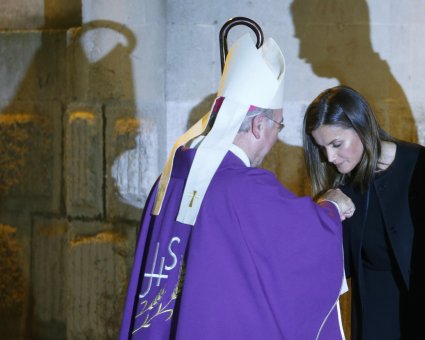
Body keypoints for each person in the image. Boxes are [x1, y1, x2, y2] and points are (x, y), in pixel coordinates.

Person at [119, 33, 354, 340]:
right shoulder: (245, 188)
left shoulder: (171, 178)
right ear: (258, 126)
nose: (275, 139)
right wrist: (332, 207)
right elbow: (302, 239)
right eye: (277, 126)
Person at [303, 85, 425, 340]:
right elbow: (329, 268)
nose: (329, 157)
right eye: (322, 148)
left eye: (336, 144)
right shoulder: (341, 190)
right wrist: (324, 210)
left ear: (361, 126)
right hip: (375, 324)